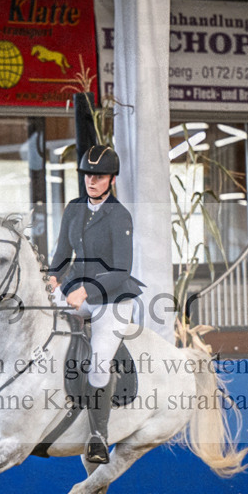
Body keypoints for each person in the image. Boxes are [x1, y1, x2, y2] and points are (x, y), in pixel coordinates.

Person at [47, 144, 144, 464]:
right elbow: (62, 254)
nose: (92, 181)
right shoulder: (74, 208)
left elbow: (122, 270)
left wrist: (86, 290)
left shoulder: (120, 216)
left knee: (100, 361)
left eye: (99, 176)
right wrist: (51, 278)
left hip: (112, 299)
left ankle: (98, 437)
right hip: (77, 290)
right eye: (88, 175)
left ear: (111, 180)